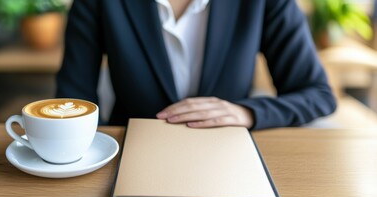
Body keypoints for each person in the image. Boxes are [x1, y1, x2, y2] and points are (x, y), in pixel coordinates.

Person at [56, 0, 336, 130]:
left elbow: (317, 94)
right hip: (128, 148)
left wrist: (247, 113)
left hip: (230, 152)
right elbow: (72, 99)